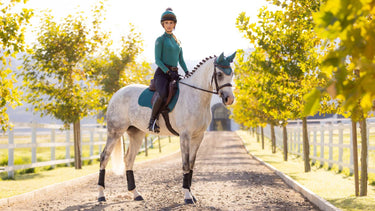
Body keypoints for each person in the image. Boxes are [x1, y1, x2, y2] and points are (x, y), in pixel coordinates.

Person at [148, 8, 189, 133]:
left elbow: (181, 60)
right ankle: (152, 121)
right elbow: (157, 60)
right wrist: (167, 71)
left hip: (174, 73)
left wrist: (187, 72)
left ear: (174, 24)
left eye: (171, 23)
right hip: (162, 73)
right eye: (166, 23)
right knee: (163, 94)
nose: (169, 25)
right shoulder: (160, 40)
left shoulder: (178, 42)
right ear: (163, 25)